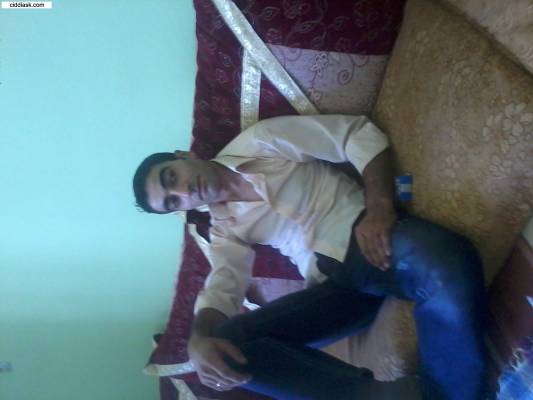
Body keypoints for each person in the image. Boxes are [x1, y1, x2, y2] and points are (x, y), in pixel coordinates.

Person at [133, 115, 489, 400]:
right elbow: (224, 285)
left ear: (184, 156)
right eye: (173, 202)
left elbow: (355, 133)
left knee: (447, 261)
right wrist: (198, 338)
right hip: (335, 287)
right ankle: (370, 395)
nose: (183, 191)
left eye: (171, 178)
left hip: (365, 239)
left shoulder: (261, 141)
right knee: (226, 344)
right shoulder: (225, 228)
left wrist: (379, 207)